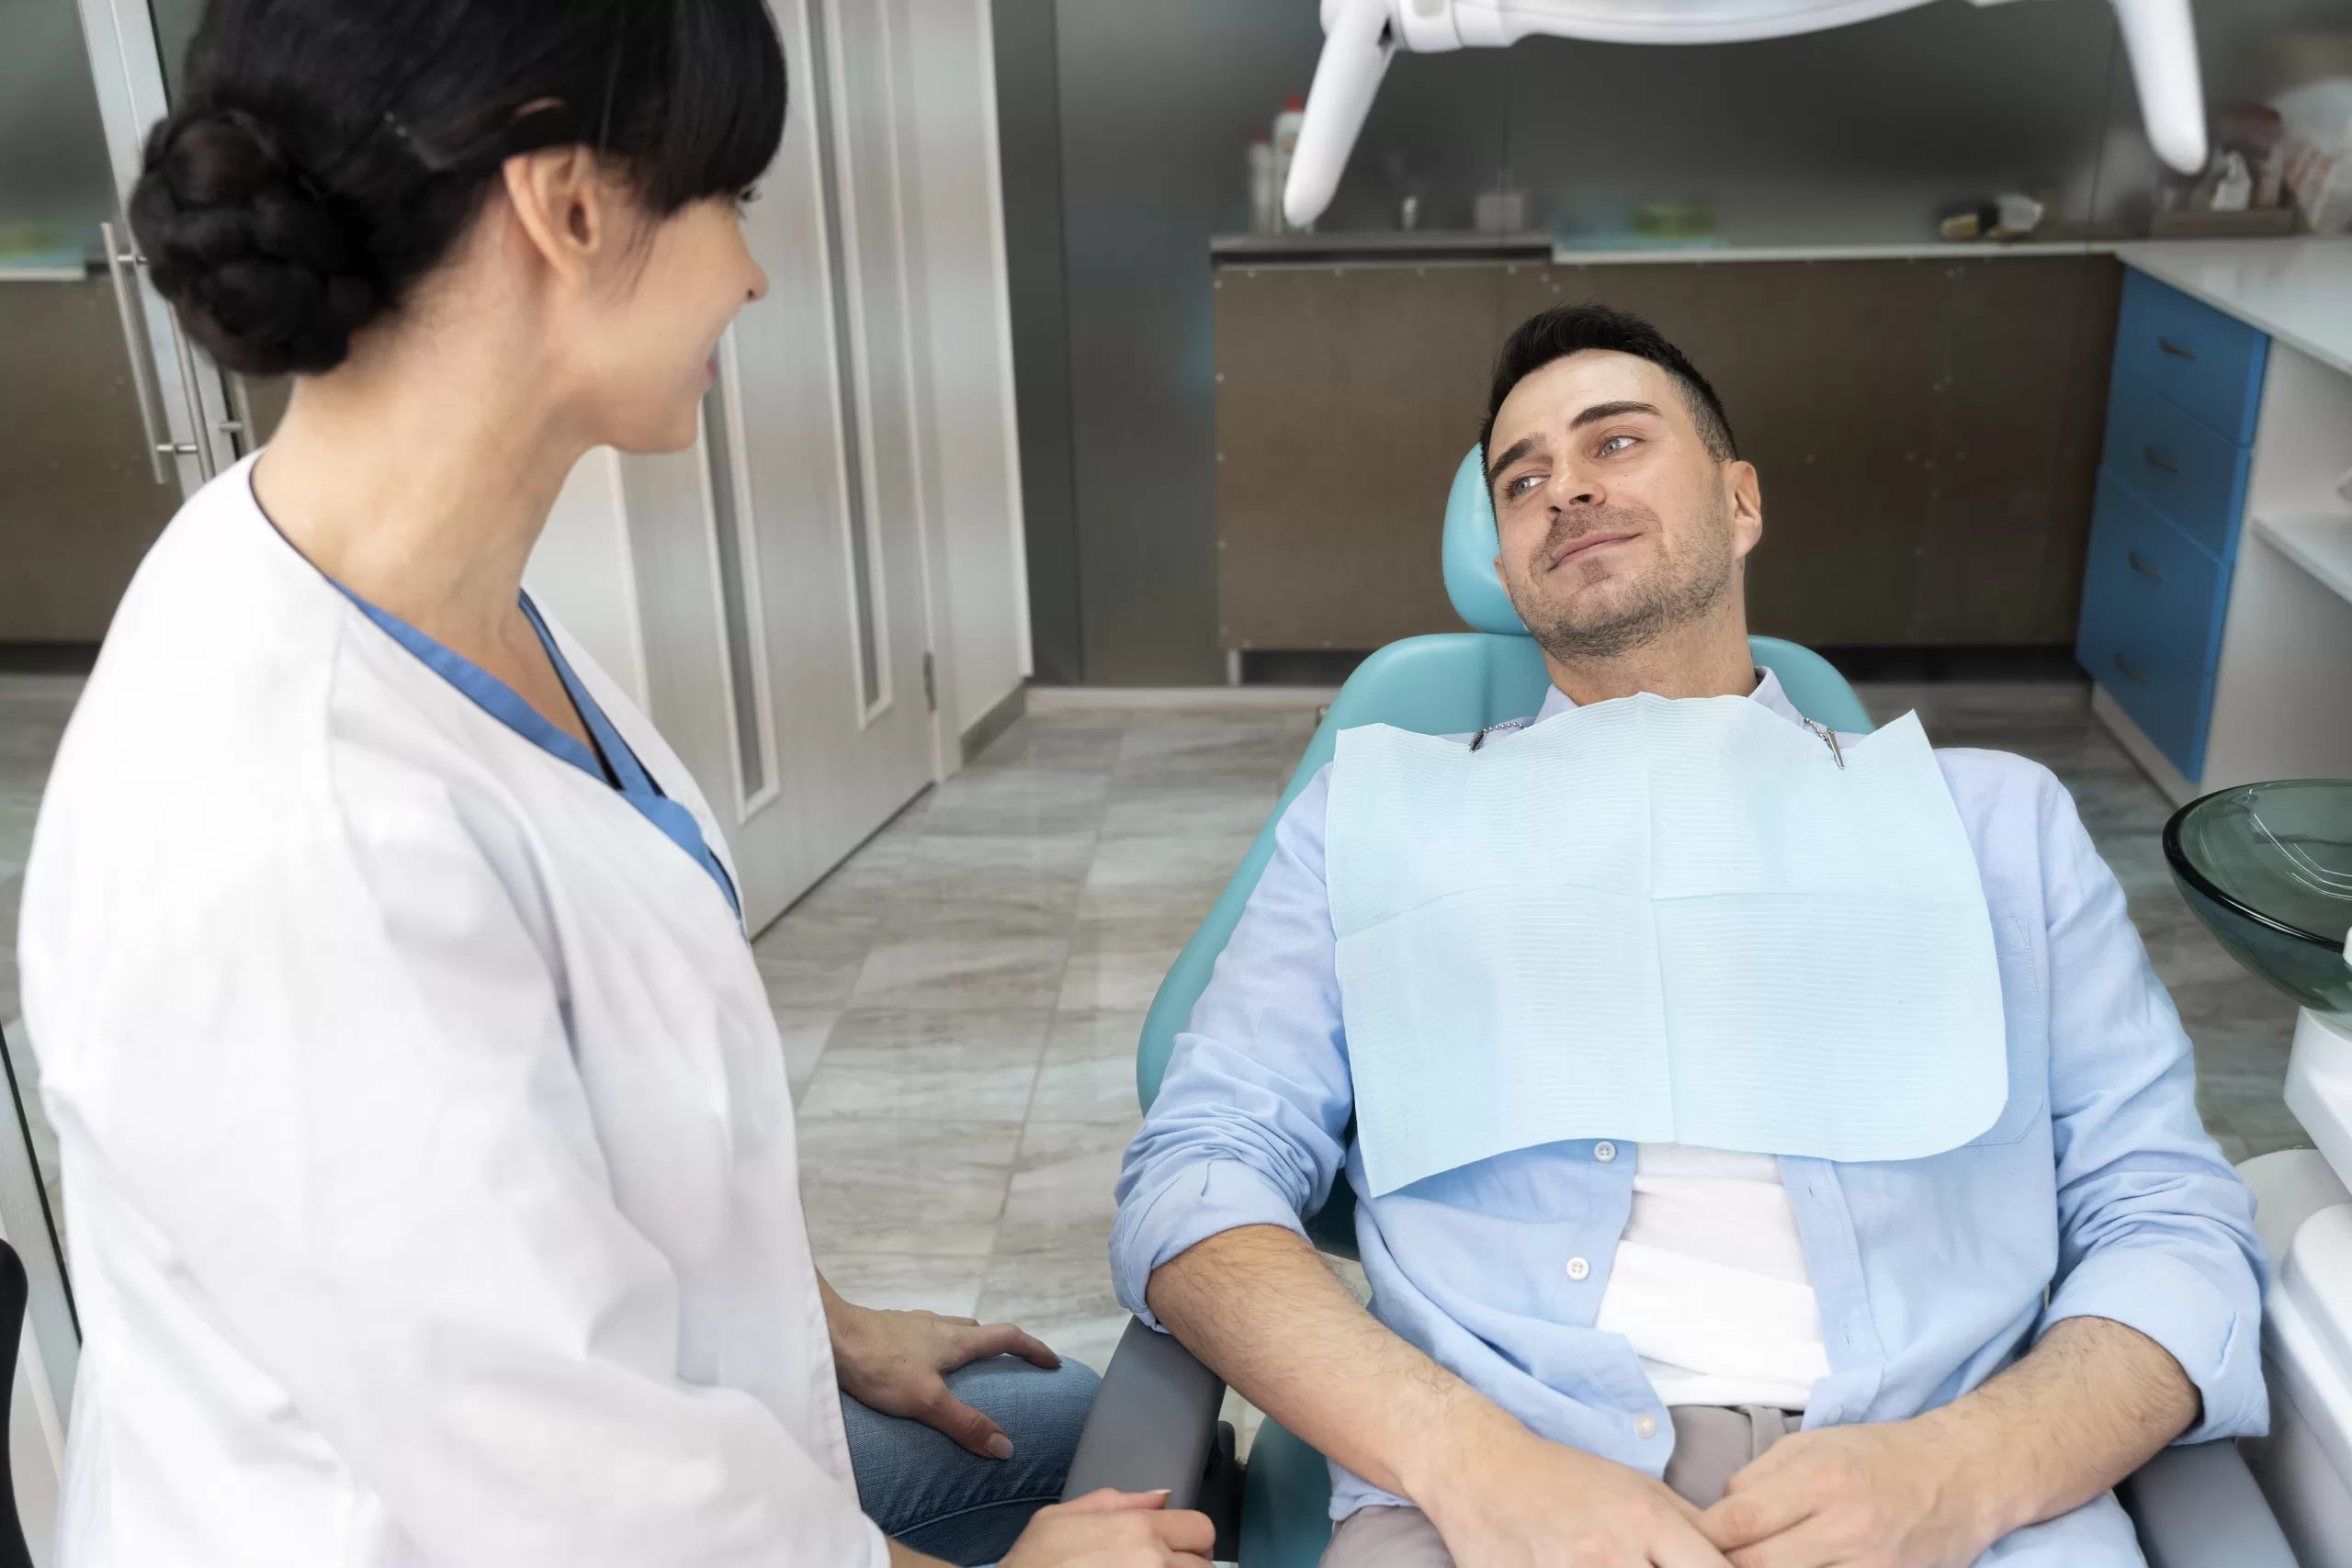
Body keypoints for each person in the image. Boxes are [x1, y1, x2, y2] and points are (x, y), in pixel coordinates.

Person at [18, 5, 1210, 1566]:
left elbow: (588, 1135)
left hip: (620, 1447)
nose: (751, 272)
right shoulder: (295, 840)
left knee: (1105, 1441)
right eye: (730, 201)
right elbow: (579, 1521)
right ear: (567, 205)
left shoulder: (434, 594)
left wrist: (818, 1320)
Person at [1109, 303, 2268, 1567]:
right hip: (1488, 1500)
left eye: (1616, 443)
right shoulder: (1375, 822)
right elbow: (1194, 1173)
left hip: (1944, 1490)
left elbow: (2170, 1219)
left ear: (1743, 500)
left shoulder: (1989, 825)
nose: (1566, 492)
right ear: (1503, 563)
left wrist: (1965, 1470)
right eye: (1524, 478)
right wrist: (1469, 1460)